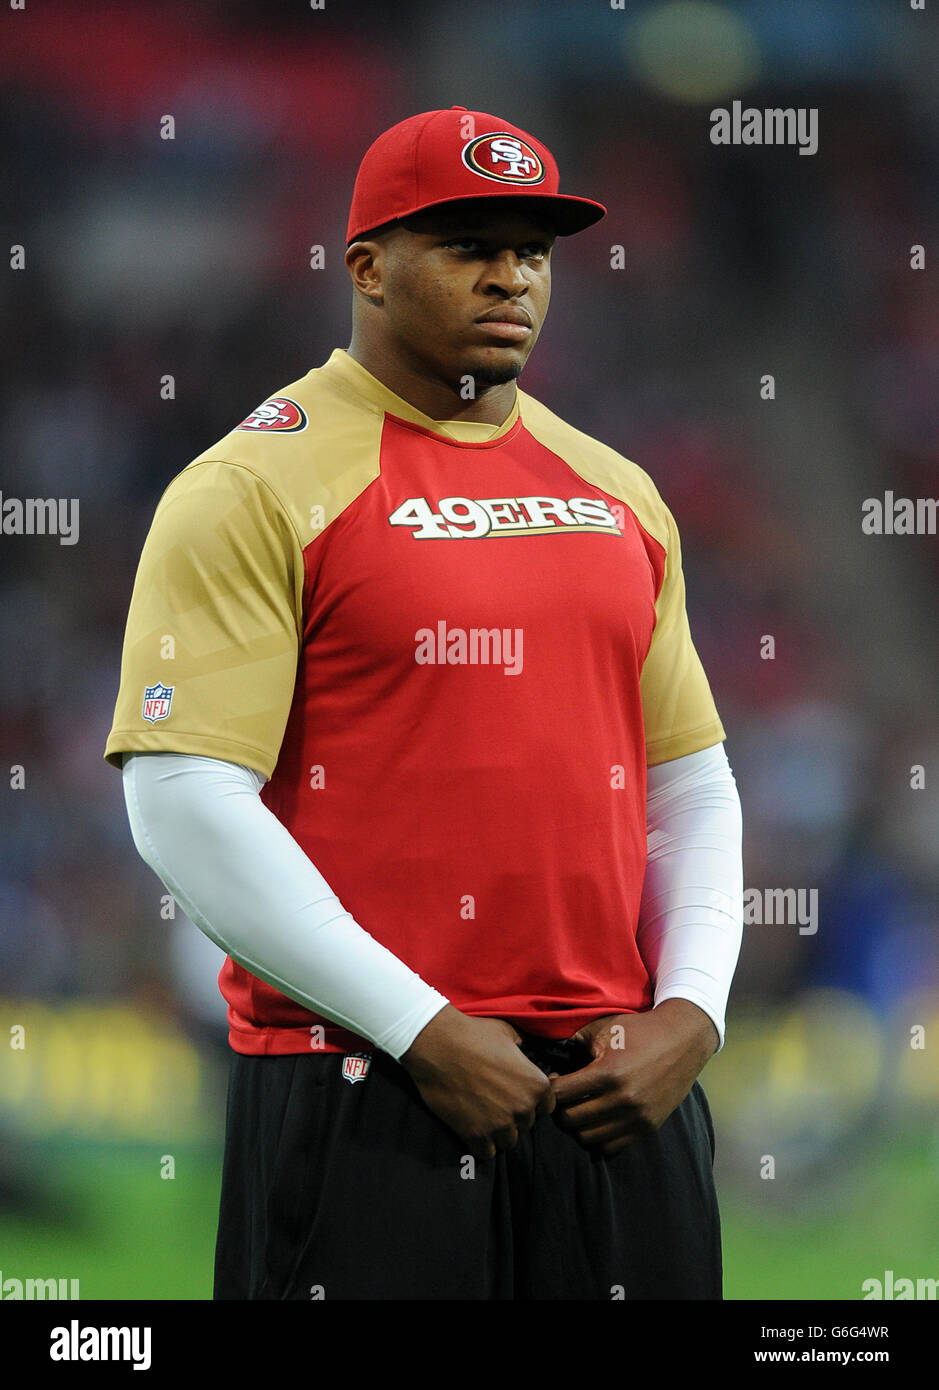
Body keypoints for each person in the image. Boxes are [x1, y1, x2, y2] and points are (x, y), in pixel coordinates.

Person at [104, 106, 744, 1301]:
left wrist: (692, 1015)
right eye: (467, 244)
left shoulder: (618, 492)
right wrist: (421, 1027)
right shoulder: (252, 484)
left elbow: (687, 778)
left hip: (617, 1093)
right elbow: (182, 792)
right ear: (367, 268)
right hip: (362, 1086)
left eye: (535, 250)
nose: (513, 276)